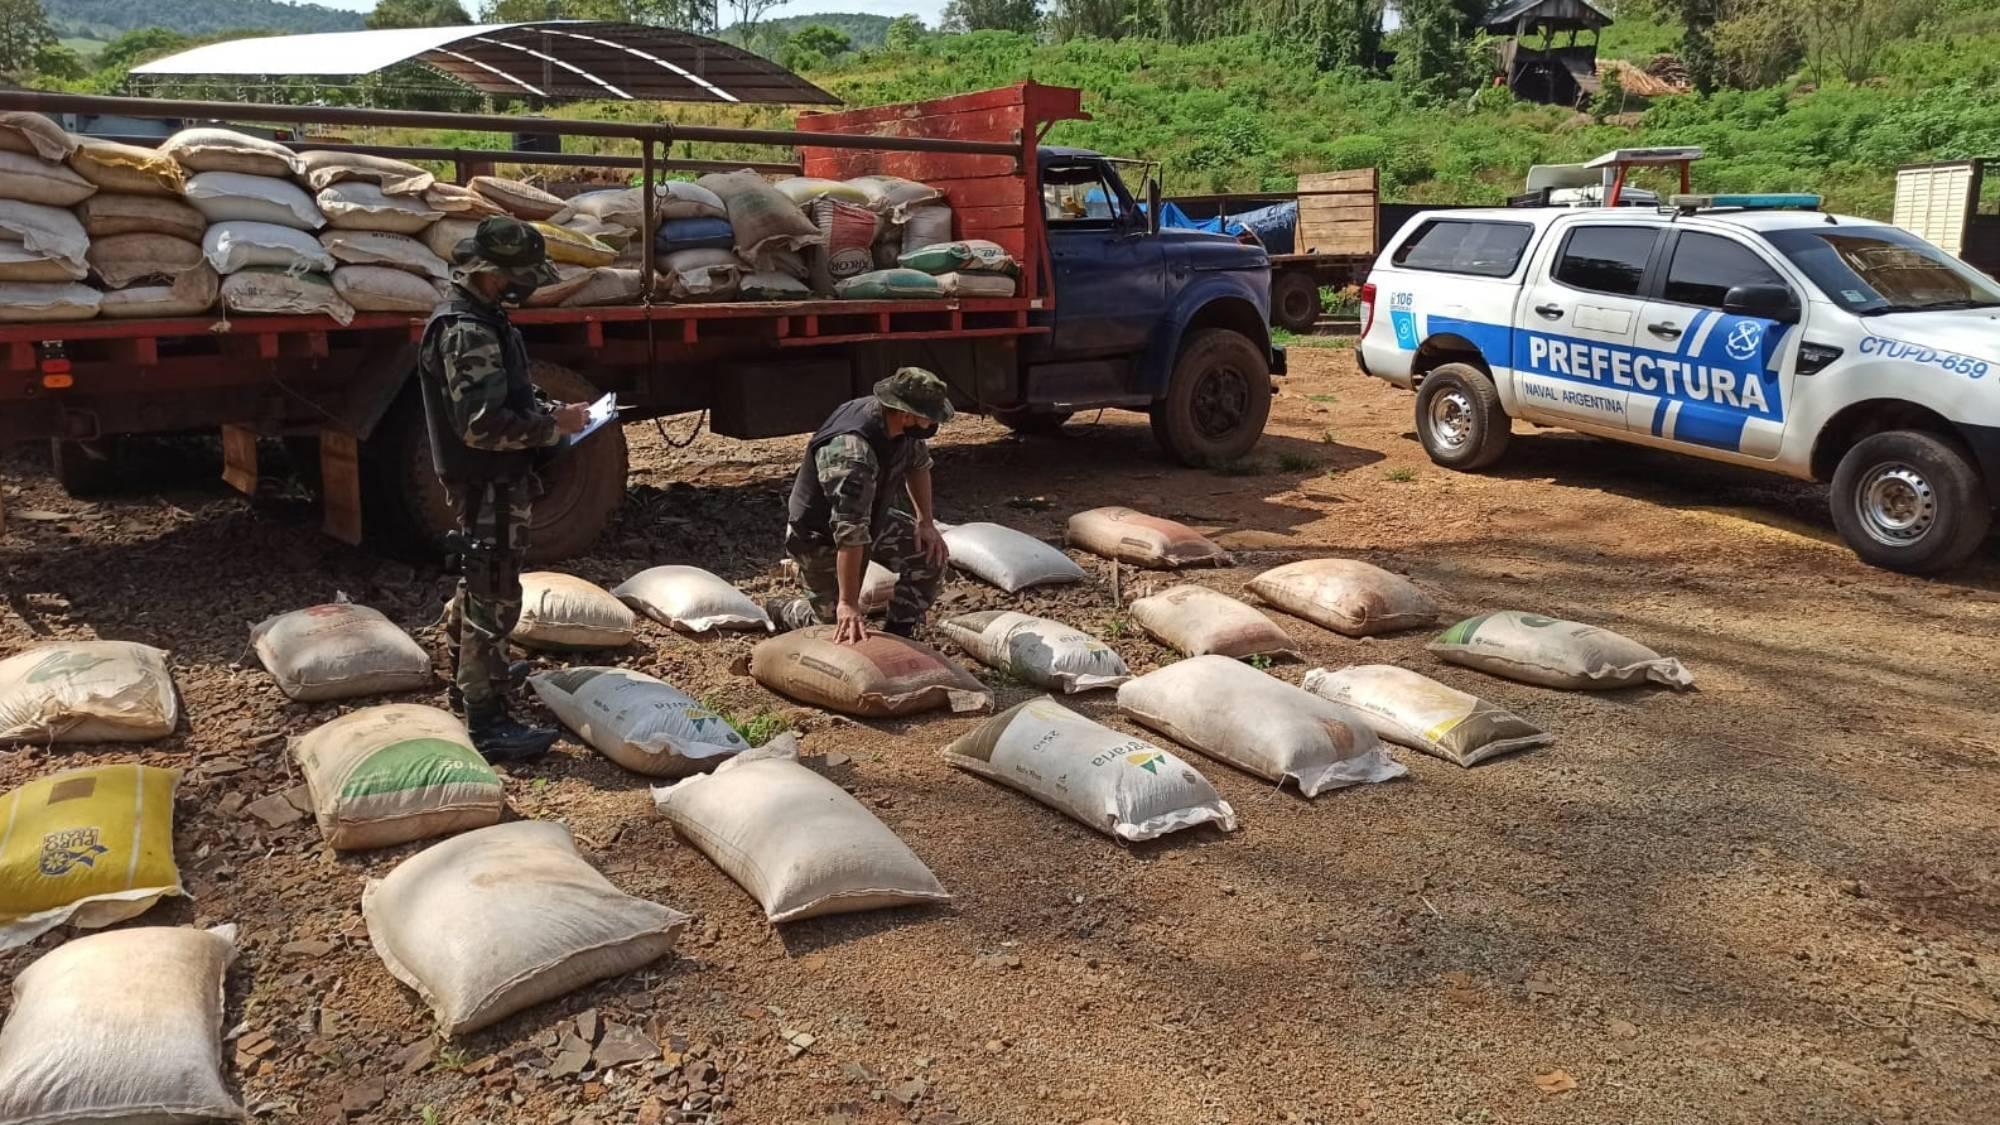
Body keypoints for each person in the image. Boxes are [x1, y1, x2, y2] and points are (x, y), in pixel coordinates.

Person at [417, 216, 589, 762]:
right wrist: (551, 427)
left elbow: (505, 393)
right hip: (485, 477)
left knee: (485, 584)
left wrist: (545, 409)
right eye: (522, 276)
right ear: (493, 275)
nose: (530, 285)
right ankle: (486, 719)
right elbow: (481, 426)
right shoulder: (466, 330)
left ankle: (476, 673)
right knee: (494, 595)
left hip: (496, 477)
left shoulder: (484, 317)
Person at [769, 368, 955, 643]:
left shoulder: (900, 425)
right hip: (820, 536)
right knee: (836, 626)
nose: (931, 426)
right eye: (929, 419)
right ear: (906, 414)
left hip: (869, 518)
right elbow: (849, 533)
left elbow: (918, 466)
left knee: (929, 554)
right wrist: (848, 602)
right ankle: (786, 610)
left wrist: (925, 521)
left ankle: (901, 631)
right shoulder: (851, 453)